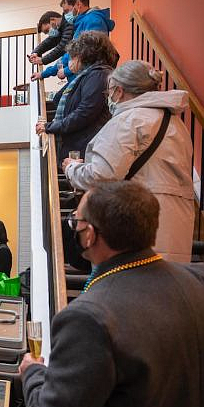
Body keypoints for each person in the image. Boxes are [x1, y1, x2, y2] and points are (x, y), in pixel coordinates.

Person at [19, 181, 204, 407]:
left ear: (90, 234)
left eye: (76, 222)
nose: (73, 229)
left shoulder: (88, 318)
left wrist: (33, 373)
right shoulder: (194, 280)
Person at [63, 60, 195, 262]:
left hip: (139, 220)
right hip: (178, 221)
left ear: (119, 90)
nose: (109, 98)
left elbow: (101, 175)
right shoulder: (176, 123)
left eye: (109, 92)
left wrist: (73, 169)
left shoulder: (128, 121)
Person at [35, 31, 117, 162]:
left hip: (87, 148)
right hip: (81, 145)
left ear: (84, 55)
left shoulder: (98, 75)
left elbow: (84, 113)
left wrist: (51, 127)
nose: (70, 61)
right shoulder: (90, 75)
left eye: (72, 57)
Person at [32, 0, 115, 83]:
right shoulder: (80, 24)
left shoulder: (93, 21)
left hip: (89, 78)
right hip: (80, 77)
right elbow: (69, 55)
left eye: (67, 11)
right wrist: (43, 73)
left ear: (78, 4)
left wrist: (66, 71)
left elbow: (91, 56)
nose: (66, 15)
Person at [29, 0, 74, 67]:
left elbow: (63, 46)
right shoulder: (60, 29)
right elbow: (48, 42)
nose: (49, 34)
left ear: (53, 20)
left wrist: (43, 60)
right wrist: (35, 52)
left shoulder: (69, 24)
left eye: (47, 30)